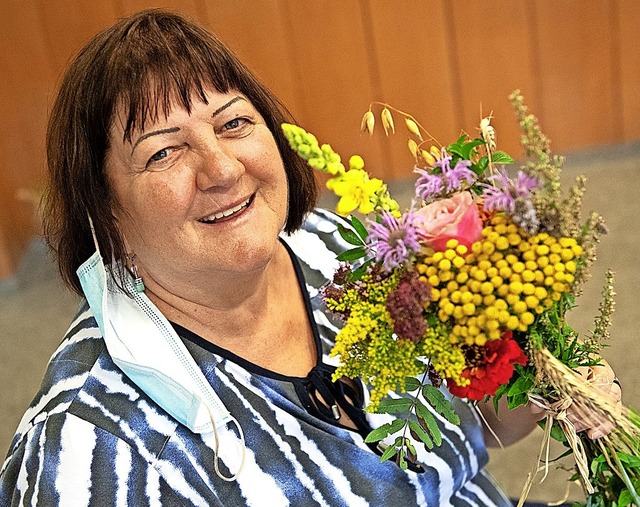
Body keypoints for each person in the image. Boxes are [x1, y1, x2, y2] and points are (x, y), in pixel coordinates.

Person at [0, 10, 621, 507]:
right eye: (163, 153)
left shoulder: (333, 251)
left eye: (234, 123)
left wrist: (543, 392)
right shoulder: (90, 450)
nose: (221, 168)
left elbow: (454, 441)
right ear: (105, 216)